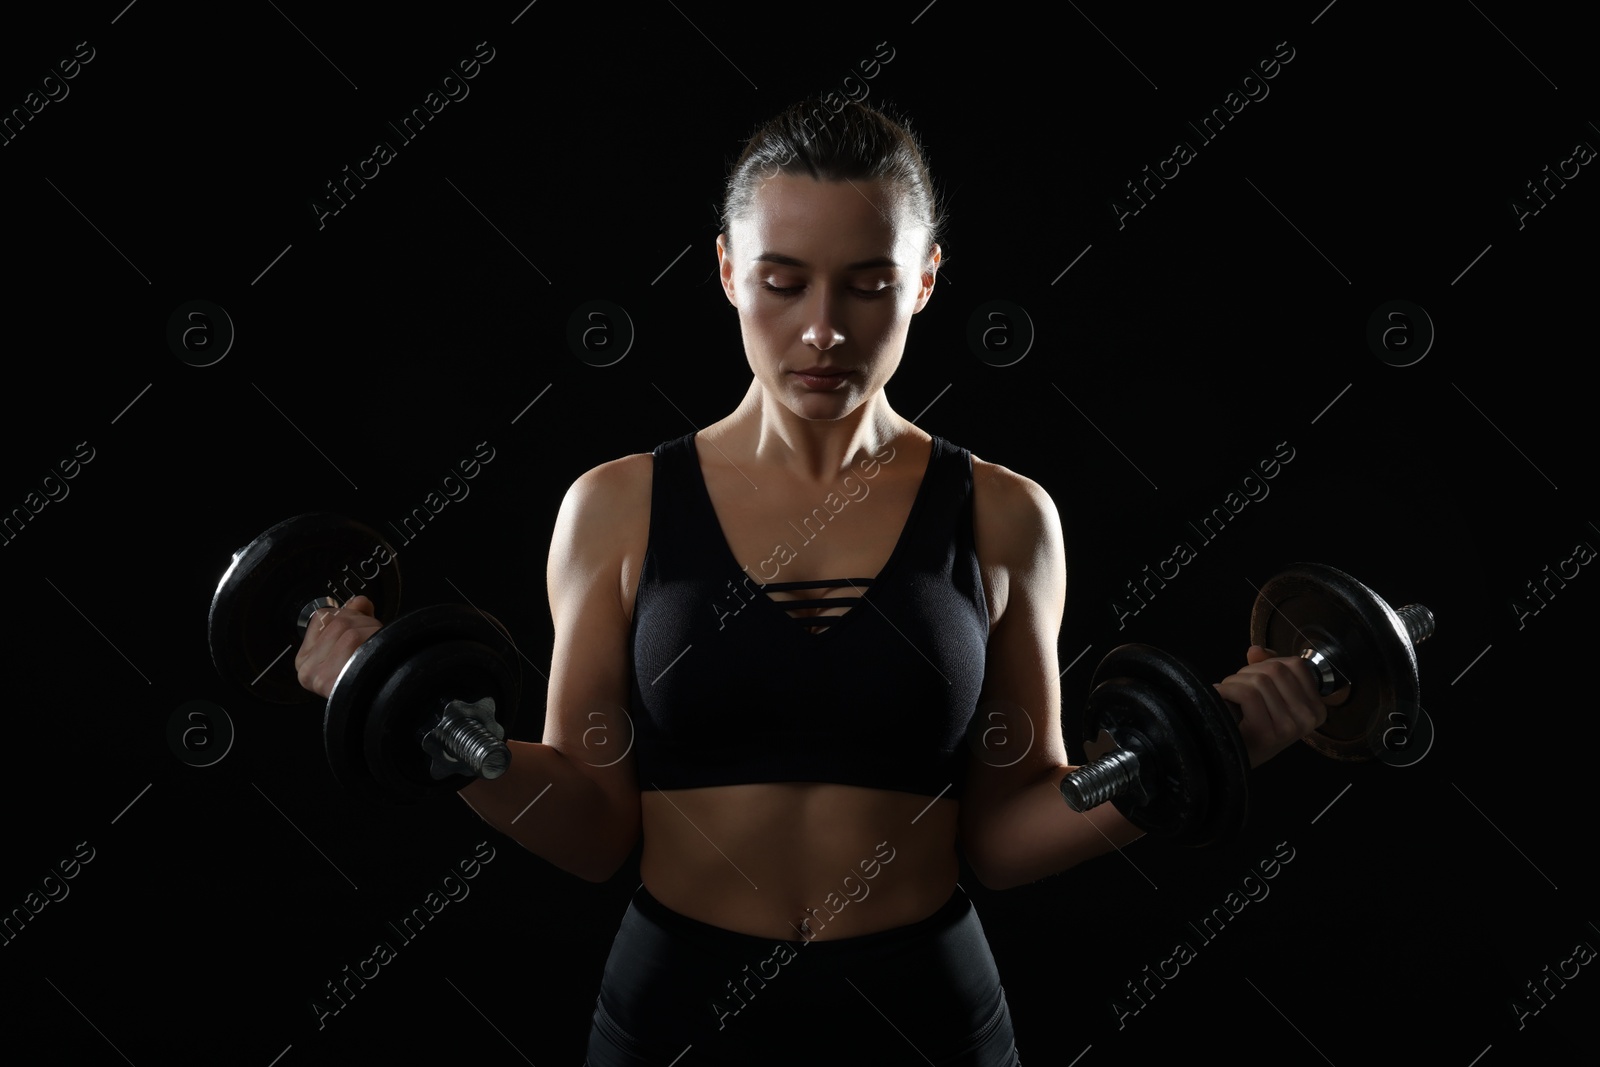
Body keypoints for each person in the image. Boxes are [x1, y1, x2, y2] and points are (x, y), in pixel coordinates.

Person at [294, 96, 1330, 1065]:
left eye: (868, 283)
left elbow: (1008, 835)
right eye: (783, 281)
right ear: (726, 272)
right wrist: (403, 704)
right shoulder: (616, 506)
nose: (823, 329)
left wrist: (1198, 750)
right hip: (676, 995)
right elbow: (593, 825)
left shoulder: (1007, 514)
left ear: (924, 278)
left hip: (924, 1002)